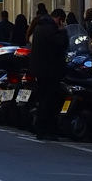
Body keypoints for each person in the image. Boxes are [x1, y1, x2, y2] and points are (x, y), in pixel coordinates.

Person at [30, 8, 69, 140]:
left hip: (42, 70)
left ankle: (49, 128)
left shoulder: (41, 27)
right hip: (49, 71)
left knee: (46, 100)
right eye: (62, 21)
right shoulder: (50, 30)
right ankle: (44, 129)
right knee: (48, 101)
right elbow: (63, 43)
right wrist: (63, 31)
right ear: (59, 19)